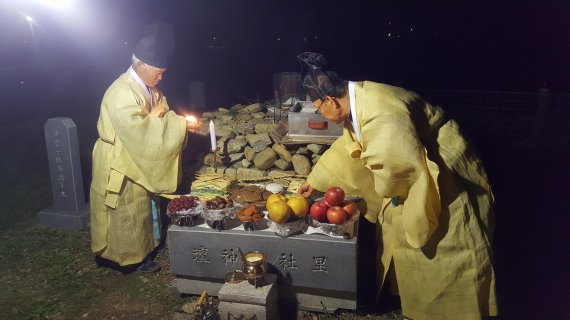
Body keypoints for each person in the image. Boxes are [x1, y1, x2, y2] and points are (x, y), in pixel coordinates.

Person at [296, 52, 497, 320]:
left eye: (320, 108)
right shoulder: (361, 97)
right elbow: (352, 147)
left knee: (444, 239)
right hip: (415, 159)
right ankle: (413, 299)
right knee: (399, 222)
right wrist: (316, 181)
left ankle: (452, 309)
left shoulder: (381, 113)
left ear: (332, 99)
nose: (320, 114)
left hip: (442, 171)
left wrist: (386, 193)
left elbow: (396, 171)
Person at [90, 22, 197, 273]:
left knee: (145, 209)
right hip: (121, 160)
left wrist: (178, 123)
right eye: (158, 72)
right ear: (140, 65)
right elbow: (139, 131)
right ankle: (124, 259)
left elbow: (164, 115)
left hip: (142, 159)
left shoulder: (151, 90)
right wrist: (177, 125)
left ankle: (148, 247)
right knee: (126, 212)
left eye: (163, 72)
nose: (161, 77)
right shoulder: (121, 93)